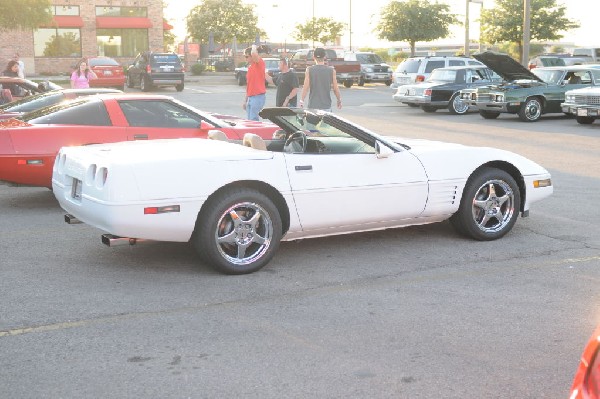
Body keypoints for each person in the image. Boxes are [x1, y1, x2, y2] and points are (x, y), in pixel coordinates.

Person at [299, 47, 342, 111]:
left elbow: (305, 87)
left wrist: (302, 100)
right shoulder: (331, 70)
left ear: (314, 57)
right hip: (326, 106)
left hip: (313, 106)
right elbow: (335, 89)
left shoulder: (309, 70)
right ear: (324, 57)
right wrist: (339, 100)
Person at [242, 44, 266, 121]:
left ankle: (255, 133)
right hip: (250, 97)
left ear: (252, 56)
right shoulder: (250, 67)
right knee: (249, 121)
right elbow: (249, 85)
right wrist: (245, 100)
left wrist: (253, 46)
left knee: (253, 120)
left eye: (246, 56)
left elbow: (254, 54)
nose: (245, 58)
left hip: (258, 97)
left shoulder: (259, 63)